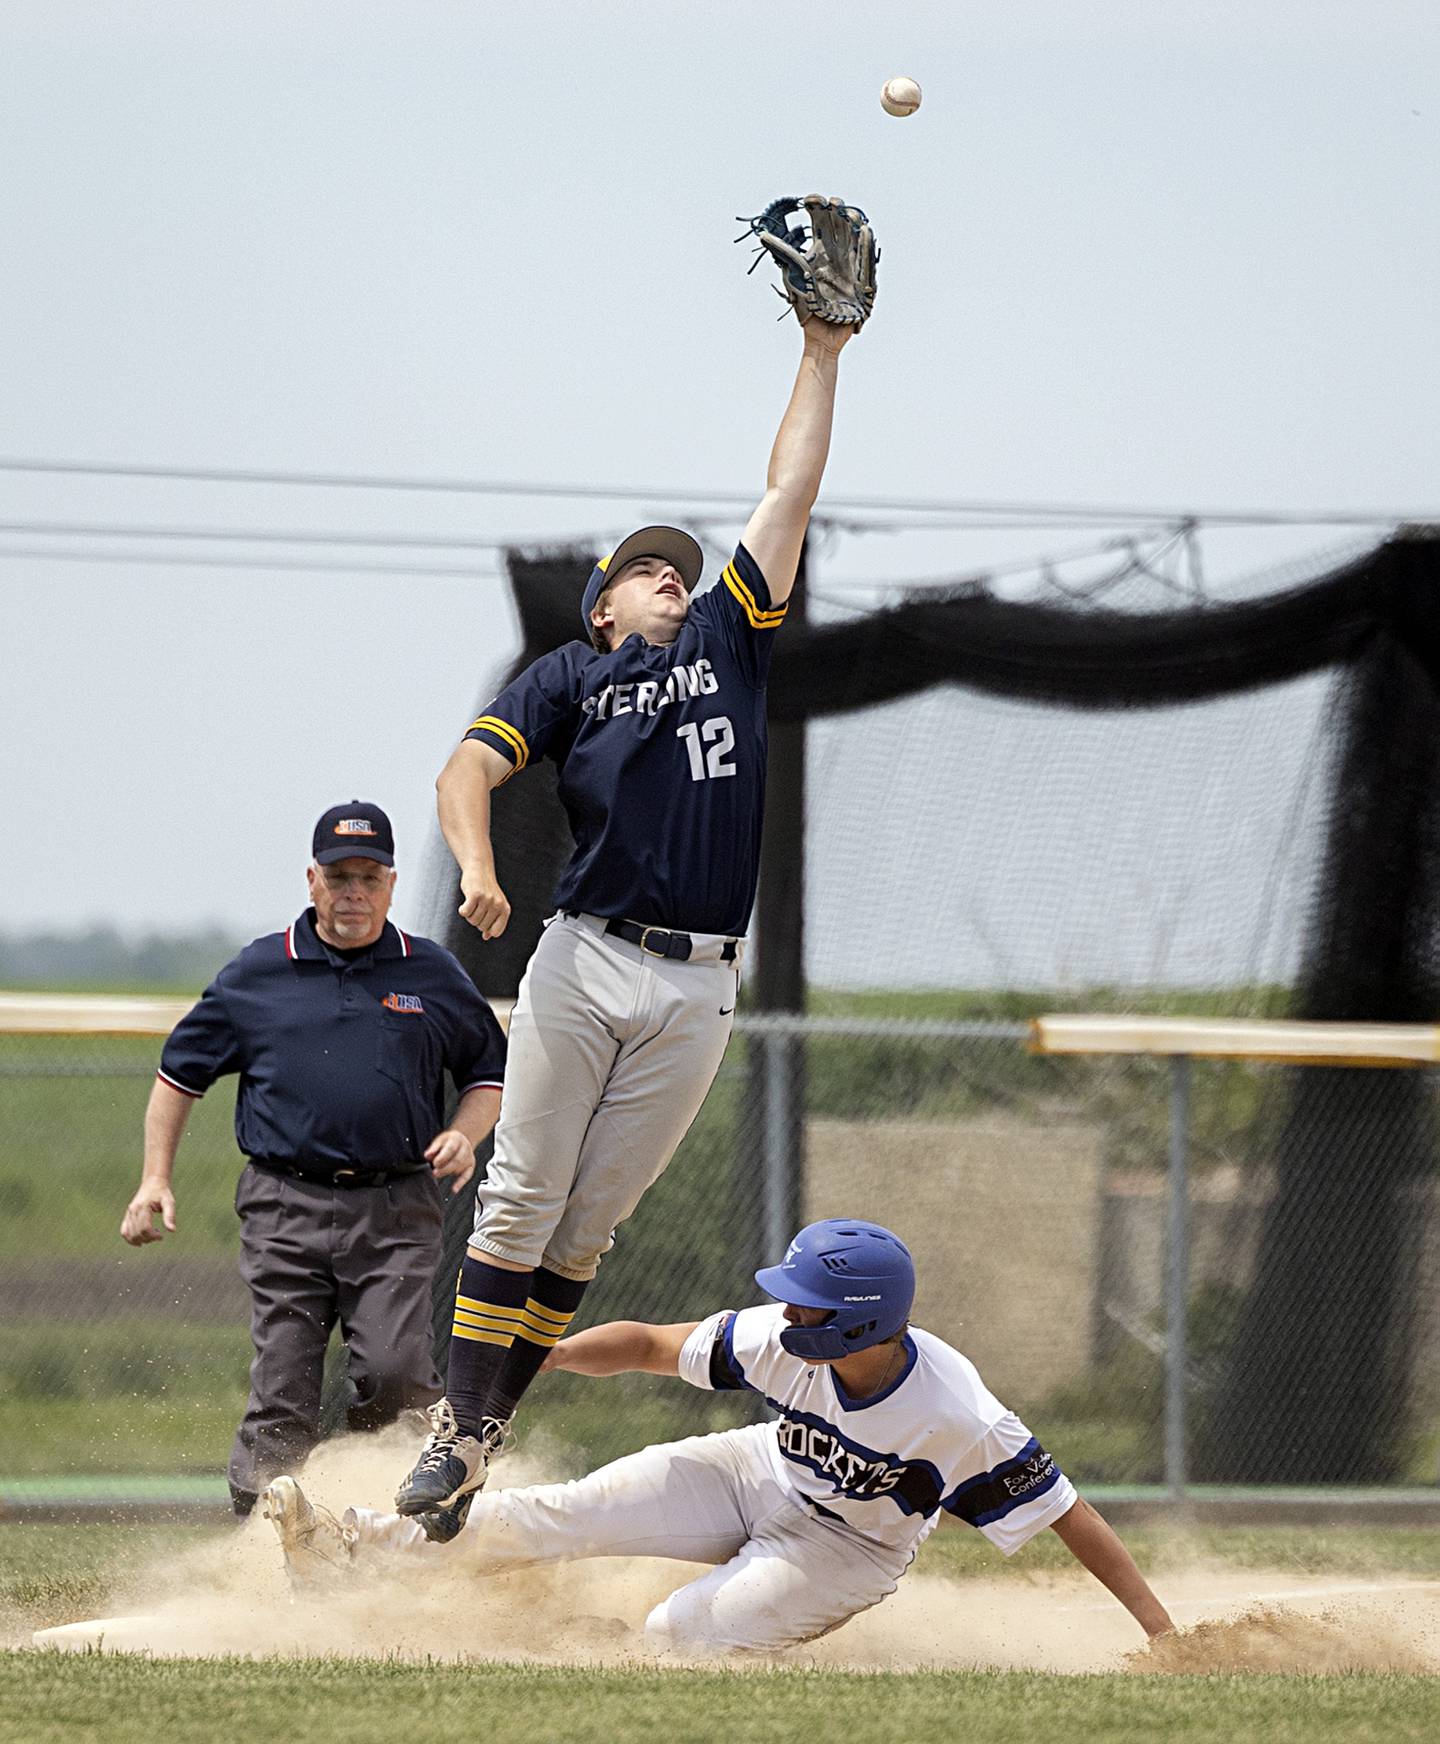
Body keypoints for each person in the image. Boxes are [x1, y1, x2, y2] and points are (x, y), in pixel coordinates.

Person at [394, 315, 858, 1533]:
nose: (672, 576)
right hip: (587, 956)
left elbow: (789, 488)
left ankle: (482, 1431)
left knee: (589, 1224)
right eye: (647, 569)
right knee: (521, 1200)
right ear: (603, 608)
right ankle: (457, 1424)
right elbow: (461, 773)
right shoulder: (572, 678)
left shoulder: (728, 641)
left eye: (677, 567)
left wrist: (821, 351)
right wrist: (480, 864)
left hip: (700, 984)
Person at [265, 1218, 1173, 1656]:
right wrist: (545, 1360)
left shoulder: (955, 1416)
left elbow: (1068, 1514)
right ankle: (351, 1548)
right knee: (562, 1513)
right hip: (759, 1471)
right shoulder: (781, 1340)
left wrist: (1161, 1634)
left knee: (679, 1638)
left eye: (805, 1298)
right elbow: (655, 1345)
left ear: (858, 1324)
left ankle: (594, 1646)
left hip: (849, 1548)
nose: (785, 1307)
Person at [121, 801, 508, 1520]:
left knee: (397, 1374)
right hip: (283, 1204)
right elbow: (180, 1075)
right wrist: (154, 1178)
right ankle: (261, 1547)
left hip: (398, 1207)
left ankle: (381, 1520)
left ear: (391, 884)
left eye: (368, 876)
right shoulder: (261, 972)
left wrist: (466, 1131)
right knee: (284, 1382)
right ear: (312, 880)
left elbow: (489, 1071)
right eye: (338, 877)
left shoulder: (430, 972)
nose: (352, 892)